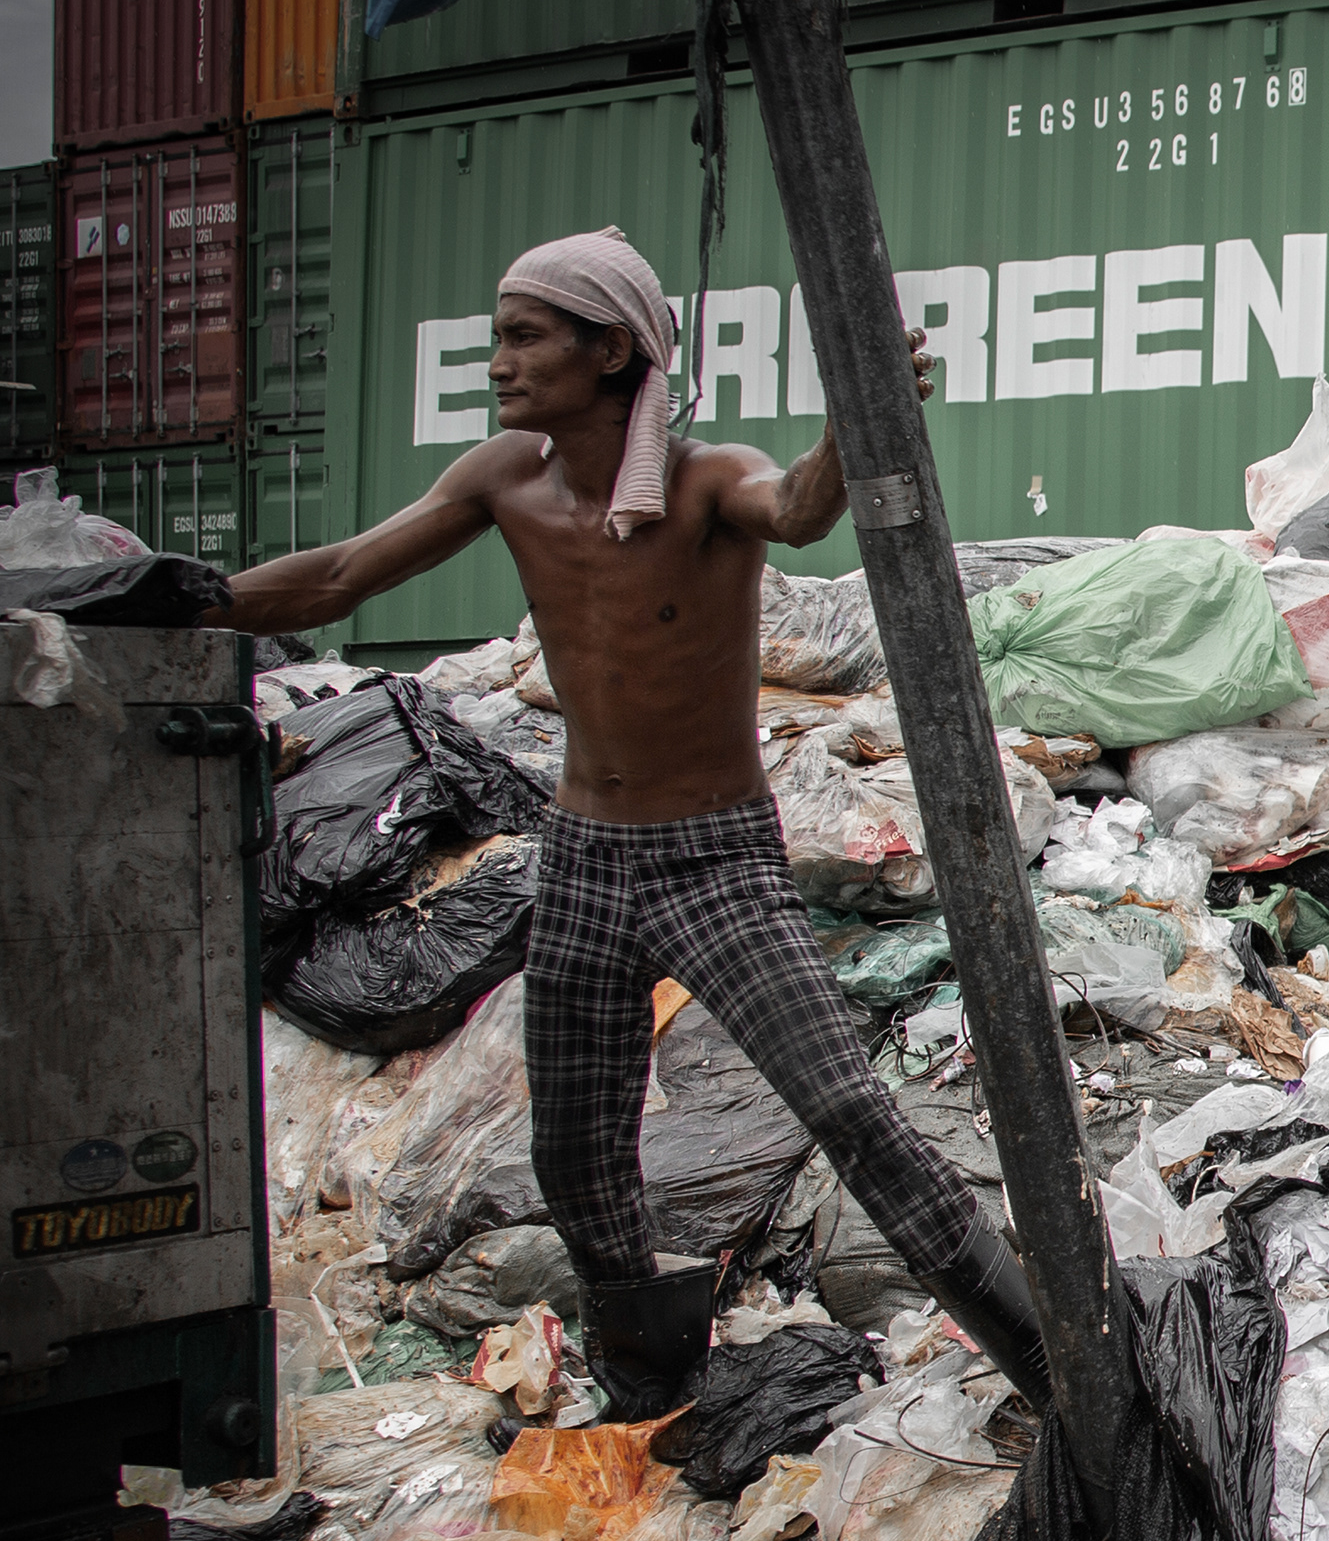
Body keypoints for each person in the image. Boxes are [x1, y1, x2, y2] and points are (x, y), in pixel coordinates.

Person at [207, 228, 1049, 1419]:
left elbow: (801, 510)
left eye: (522, 335)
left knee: (850, 1110)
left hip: (715, 860)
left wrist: (855, 418)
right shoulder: (504, 476)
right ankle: (656, 1389)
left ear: (611, 351)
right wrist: (183, 603)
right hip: (587, 860)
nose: (499, 360)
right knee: (579, 1154)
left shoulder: (706, 482)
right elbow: (343, 575)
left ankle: (1054, 1371)